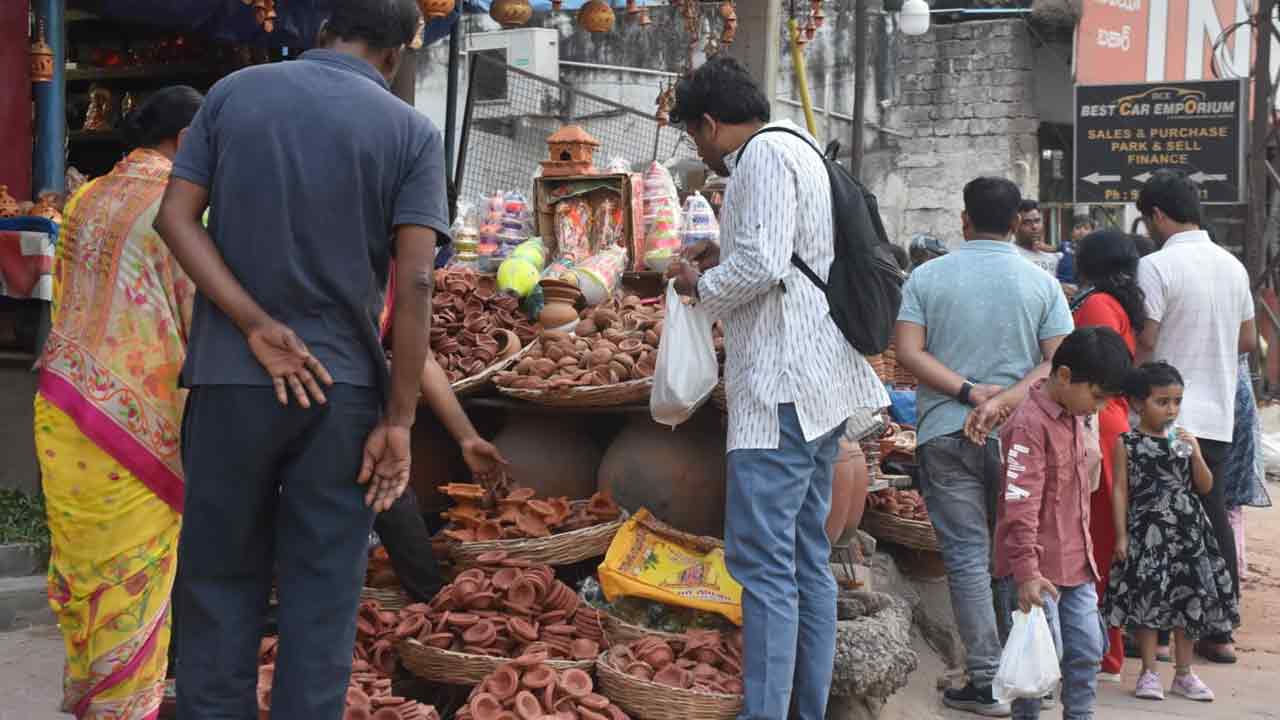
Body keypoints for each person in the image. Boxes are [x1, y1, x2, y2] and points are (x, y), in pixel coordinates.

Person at [153, 2, 445, 717]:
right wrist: (401, 420)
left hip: (231, 381)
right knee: (321, 598)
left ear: (321, 30)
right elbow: (416, 281)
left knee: (218, 585)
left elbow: (174, 218)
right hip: (342, 396)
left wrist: (253, 323)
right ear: (396, 54)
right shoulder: (409, 130)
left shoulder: (234, 94)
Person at [666, 55, 889, 720]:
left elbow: (763, 263)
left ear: (710, 123)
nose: (699, 149)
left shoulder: (760, 158)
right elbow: (782, 256)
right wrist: (722, 258)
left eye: (693, 135)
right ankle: (804, 710)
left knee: (763, 566)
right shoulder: (800, 148)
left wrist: (698, 287)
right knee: (804, 561)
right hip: (821, 384)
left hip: (782, 389)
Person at [33, 86, 203, 719]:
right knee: (132, 580)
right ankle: (124, 709)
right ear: (189, 141)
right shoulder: (179, 205)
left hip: (65, 405)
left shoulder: (88, 195)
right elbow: (197, 311)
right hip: (136, 425)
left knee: (86, 572)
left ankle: (96, 699)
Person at [895, 176, 1073, 716]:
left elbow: (907, 352)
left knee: (969, 560)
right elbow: (1057, 363)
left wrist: (971, 394)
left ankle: (990, 681)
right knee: (1022, 553)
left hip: (945, 432)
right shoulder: (1040, 282)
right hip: (1021, 439)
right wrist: (1007, 402)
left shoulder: (927, 276)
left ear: (964, 220)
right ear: (1019, 222)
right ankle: (1038, 673)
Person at [1134, 169, 1256, 664]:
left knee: (1158, 525)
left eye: (1147, 220)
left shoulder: (1157, 267)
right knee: (1212, 521)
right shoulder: (1233, 266)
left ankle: (1158, 636)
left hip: (1164, 416)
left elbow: (1146, 339)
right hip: (1218, 416)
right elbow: (1248, 342)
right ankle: (1219, 631)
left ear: (1158, 216)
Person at [994, 326, 1132, 720]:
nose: (1100, 408)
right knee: (1036, 665)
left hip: (1076, 566)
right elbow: (1019, 505)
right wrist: (1026, 574)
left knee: (1087, 650)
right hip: (1034, 571)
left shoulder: (1075, 416)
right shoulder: (1028, 424)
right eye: (1098, 396)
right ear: (1066, 376)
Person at [1106, 362, 1240, 701]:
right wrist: (1121, 535)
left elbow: (1205, 487)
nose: (1171, 409)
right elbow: (1120, 489)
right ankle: (1149, 672)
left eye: (1177, 401)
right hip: (1148, 530)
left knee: (1189, 599)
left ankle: (1184, 674)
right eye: (1162, 401)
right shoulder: (1129, 443)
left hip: (1187, 531)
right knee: (1150, 599)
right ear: (1138, 404)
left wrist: (1195, 452)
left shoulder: (1184, 441)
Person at [1069, 230, 1145, 681]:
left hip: (1099, 424)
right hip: (1110, 423)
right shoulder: (1118, 302)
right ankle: (1104, 651)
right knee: (1100, 542)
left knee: (1094, 545)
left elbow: (1087, 369)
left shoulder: (1096, 305)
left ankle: (1104, 655)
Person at [1013, 199, 1061, 277]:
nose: (1034, 227)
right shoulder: (1011, 255)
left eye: (1037, 221)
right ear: (1015, 225)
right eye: (1027, 222)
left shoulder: (1055, 255)